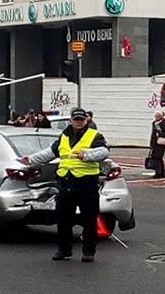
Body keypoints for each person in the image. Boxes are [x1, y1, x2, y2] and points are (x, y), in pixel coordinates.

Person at [21, 108, 110, 263]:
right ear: (71, 120)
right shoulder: (64, 136)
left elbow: (104, 152)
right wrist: (31, 160)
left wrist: (87, 155)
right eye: (76, 119)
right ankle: (64, 250)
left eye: (81, 119)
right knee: (63, 219)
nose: (79, 122)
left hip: (86, 183)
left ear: (86, 120)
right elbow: (50, 153)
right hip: (66, 181)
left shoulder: (94, 135)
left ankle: (88, 252)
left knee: (89, 219)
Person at [148, 111, 165, 178]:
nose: (156, 117)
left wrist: (160, 134)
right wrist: (151, 143)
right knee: (155, 157)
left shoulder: (164, 123)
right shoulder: (154, 123)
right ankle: (158, 172)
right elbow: (153, 134)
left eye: (157, 116)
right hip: (154, 143)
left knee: (158, 157)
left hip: (160, 143)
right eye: (155, 116)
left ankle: (159, 173)